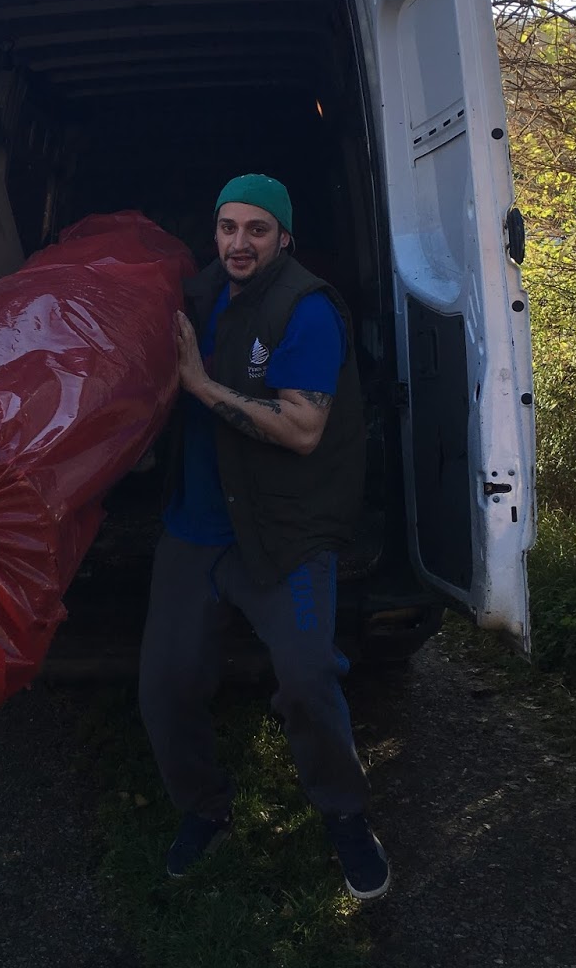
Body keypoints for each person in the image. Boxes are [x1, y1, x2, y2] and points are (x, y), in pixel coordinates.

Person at [138, 173, 389, 899]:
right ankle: (206, 808)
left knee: (309, 680)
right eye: (227, 227)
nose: (239, 242)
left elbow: (304, 430)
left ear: (284, 237)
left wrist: (200, 385)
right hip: (195, 528)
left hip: (281, 531)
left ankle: (345, 814)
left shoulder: (305, 308)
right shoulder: (193, 292)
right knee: (164, 685)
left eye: (256, 229)